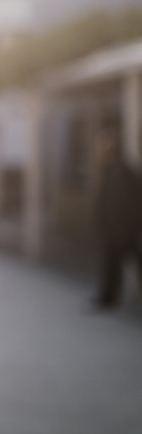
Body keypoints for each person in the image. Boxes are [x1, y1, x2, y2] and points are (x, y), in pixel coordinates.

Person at [91, 130, 142, 310]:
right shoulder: (114, 170)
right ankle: (107, 298)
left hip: (120, 230)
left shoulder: (121, 172)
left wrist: (121, 227)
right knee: (114, 263)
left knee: (118, 262)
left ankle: (108, 298)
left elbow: (123, 203)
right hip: (117, 229)